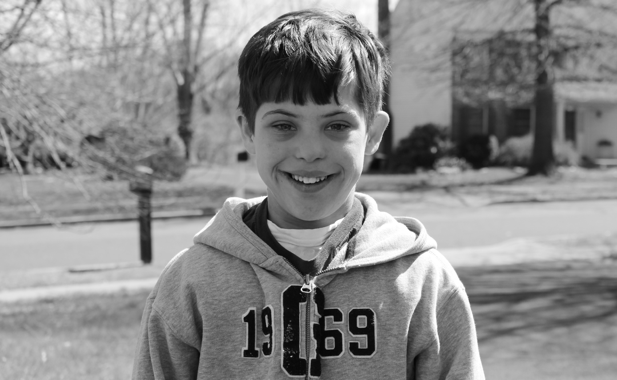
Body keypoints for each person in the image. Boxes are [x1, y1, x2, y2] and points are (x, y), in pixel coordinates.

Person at [132, 8, 484, 380]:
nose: (309, 151)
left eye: (337, 125)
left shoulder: (423, 281)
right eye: (284, 125)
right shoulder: (191, 283)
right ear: (249, 132)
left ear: (374, 134)